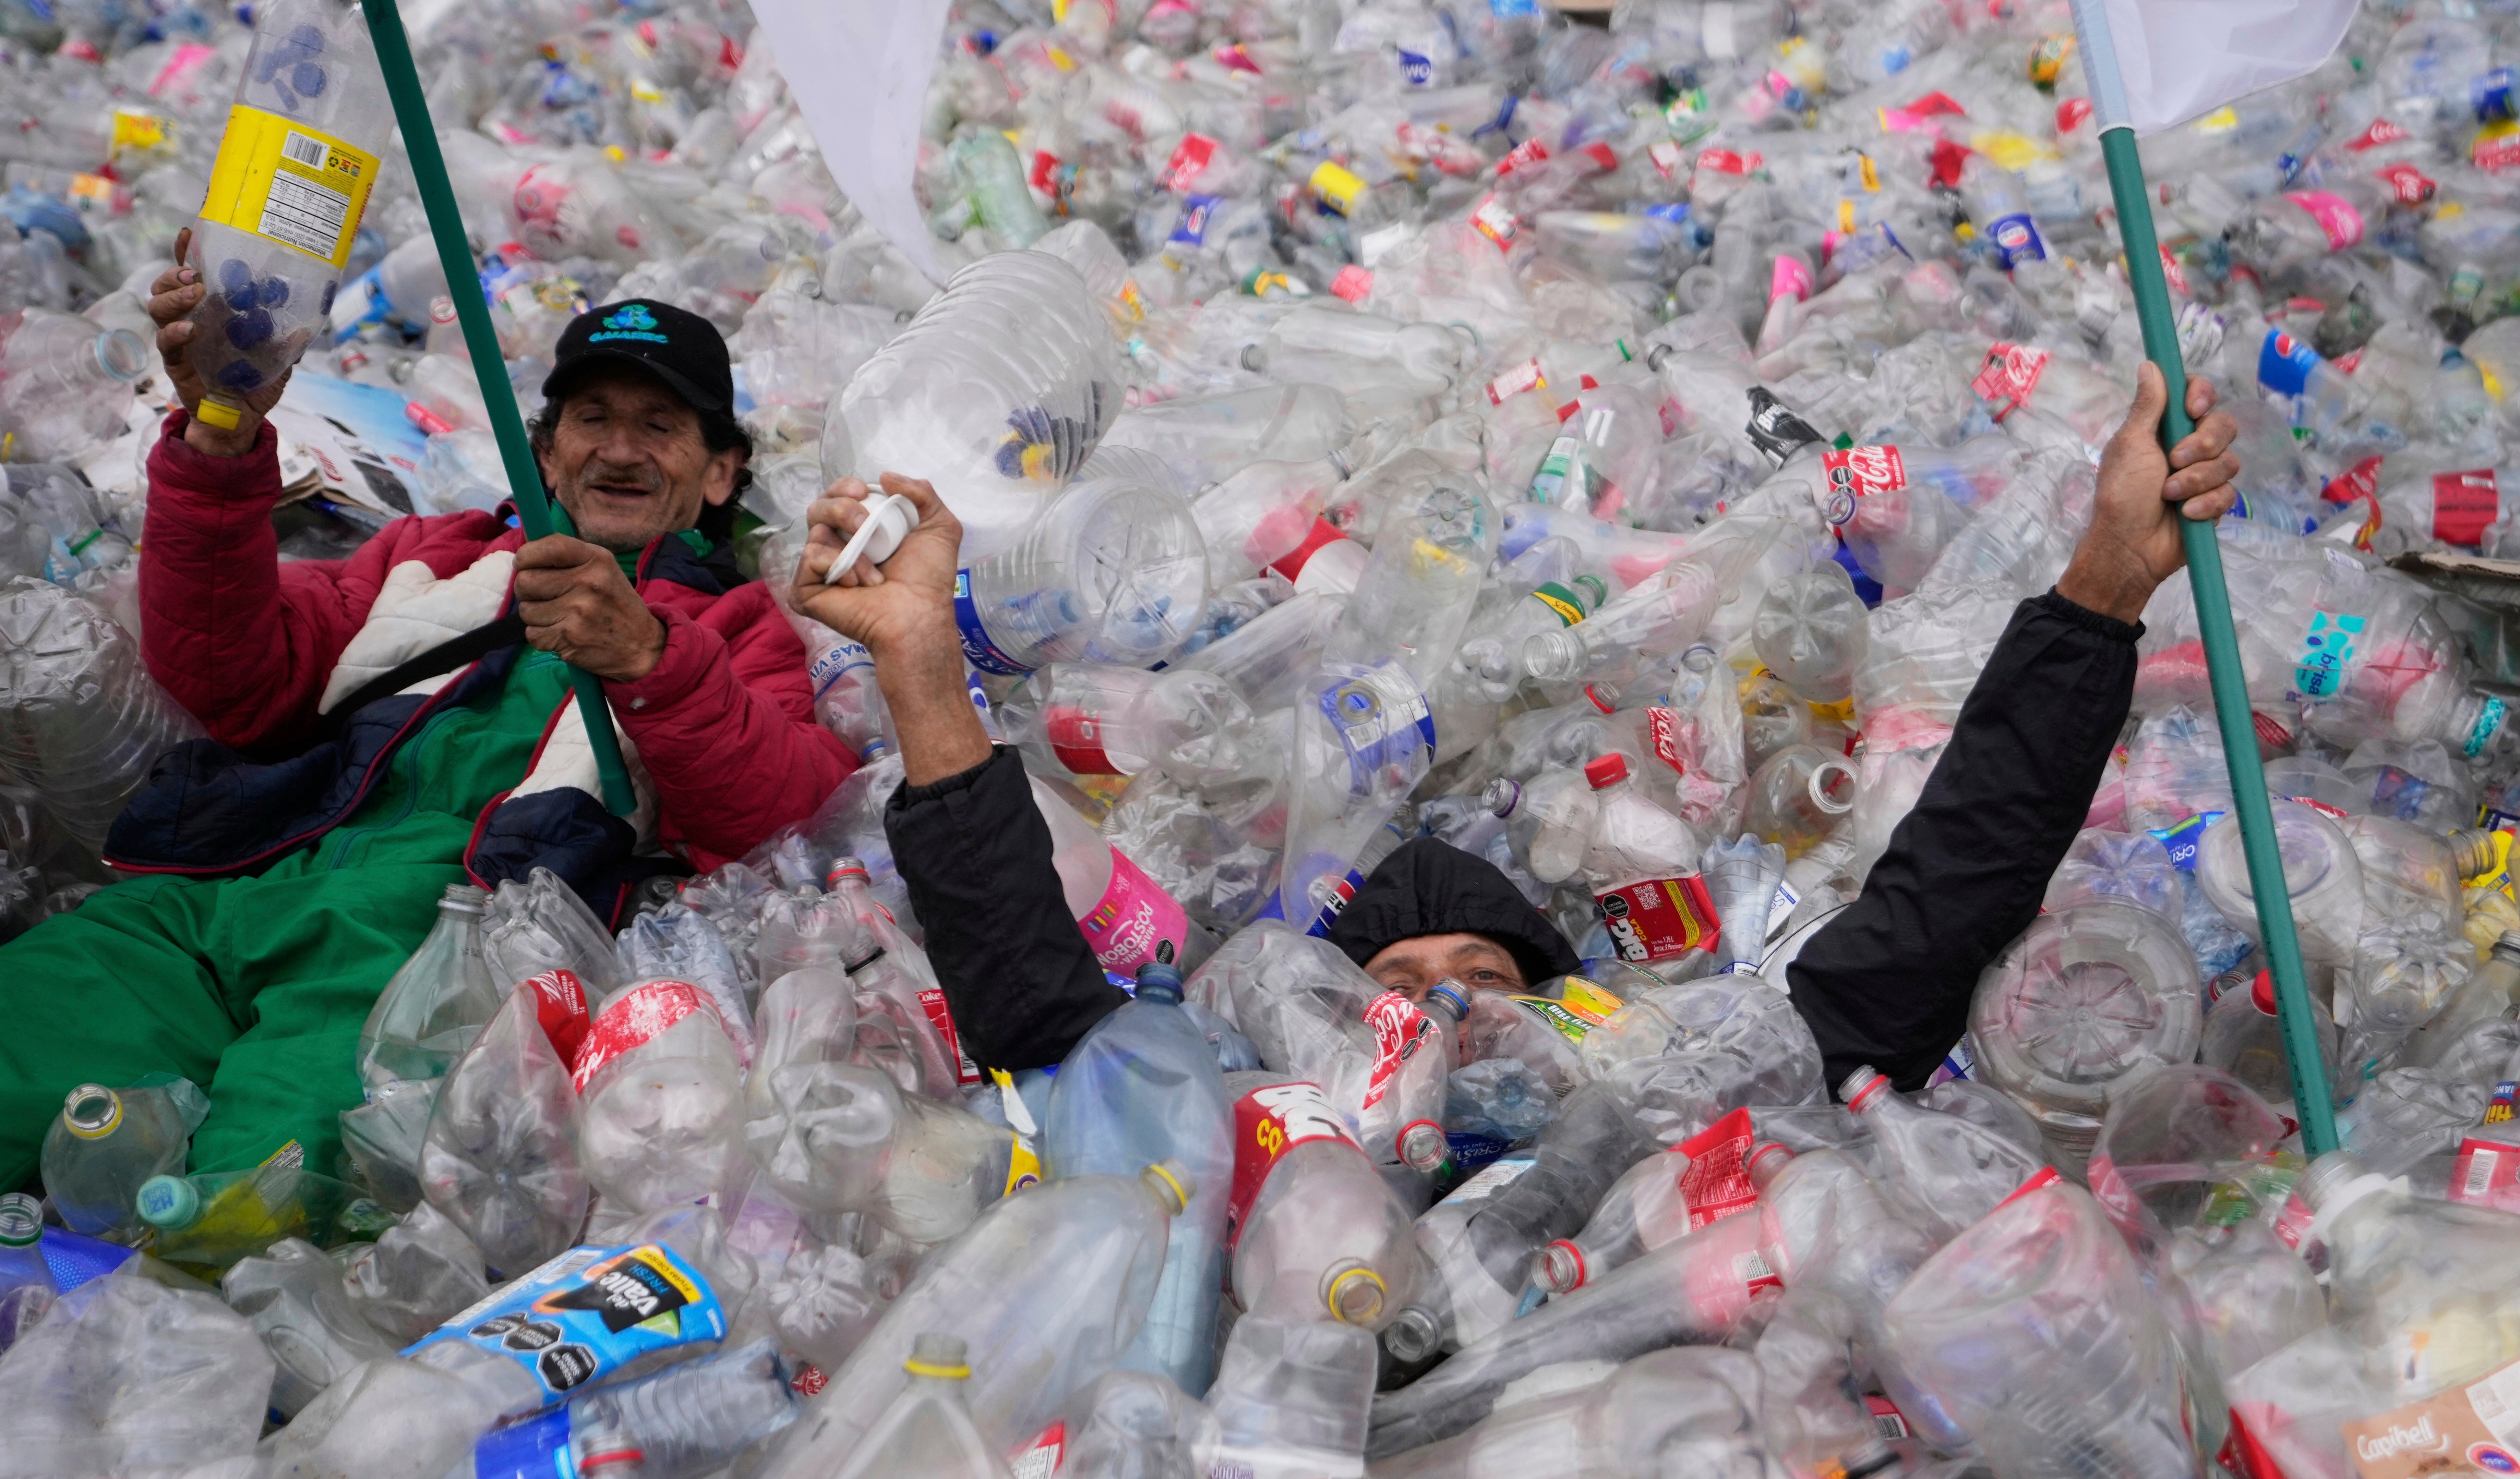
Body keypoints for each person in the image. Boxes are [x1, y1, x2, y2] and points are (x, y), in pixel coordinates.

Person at [788, 362, 2242, 1094]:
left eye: (1479, 971)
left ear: (1570, 1002)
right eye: (1395, 985)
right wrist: (921, 659)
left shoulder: (1668, 1103)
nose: (1433, 1004)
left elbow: (1939, 908)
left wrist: (2104, 586)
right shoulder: (1257, 1146)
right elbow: (1036, 1012)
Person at [0, 262, 855, 1207]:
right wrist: (221, 440)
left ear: (721, 475)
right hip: (229, 895)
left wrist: (651, 661)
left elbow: (777, 818)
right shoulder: (429, 556)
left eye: (662, 426)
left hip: (427, 964)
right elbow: (229, 676)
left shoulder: (738, 631)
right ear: (544, 452)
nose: (623, 448)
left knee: (252, 1212)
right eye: (592, 418)